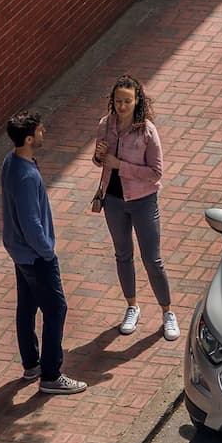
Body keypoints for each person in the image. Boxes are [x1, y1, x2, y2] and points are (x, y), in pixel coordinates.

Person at [2, 110, 87, 395]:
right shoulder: (26, 176)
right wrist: (48, 251)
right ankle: (51, 375)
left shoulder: (10, 162)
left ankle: (31, 363)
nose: (44, 132)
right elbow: (31, 223)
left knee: (26, 306)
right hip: (36, 255)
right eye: (39, 130)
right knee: (56, 309)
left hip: (19, 252)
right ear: (28, 138)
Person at [92, 75, 180, 340]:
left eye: (127, 101)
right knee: (122, 255)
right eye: (118, 101)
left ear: (137, 100)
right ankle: (132, 306)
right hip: (114, 201)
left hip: (143, 200)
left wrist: (119, 165)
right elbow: (100, 161)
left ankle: (167, 312)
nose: (122, 106)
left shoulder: (147, 131)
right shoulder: (105, 125)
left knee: (152, 259)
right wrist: (100, 157)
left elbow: (155, 172)